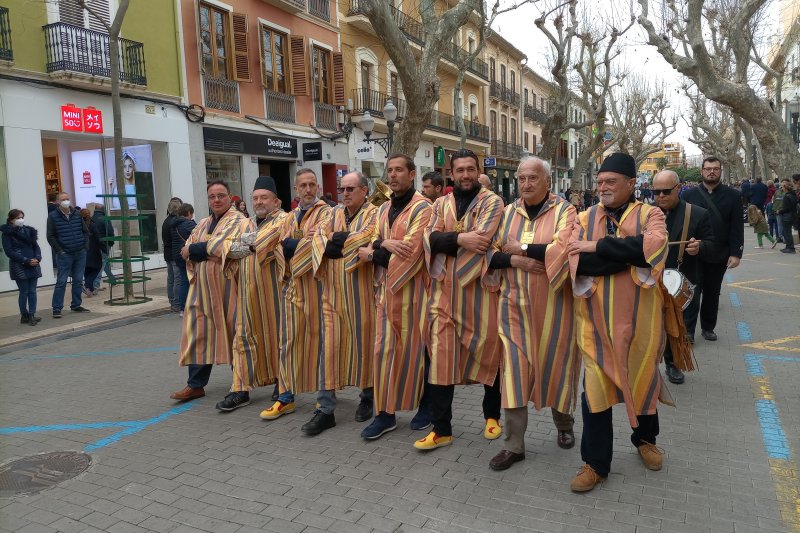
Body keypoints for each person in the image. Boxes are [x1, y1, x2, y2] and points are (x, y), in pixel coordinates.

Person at [567, 152, 671, 493]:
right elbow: (569, 256)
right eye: (599, 182)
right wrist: (624, 256)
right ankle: (595, 463)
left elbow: (653, 246)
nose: (603, 188)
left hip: (641, 322)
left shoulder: (650, 213)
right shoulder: (583, 216)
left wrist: (597, 246)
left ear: (631, 184)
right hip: (595, 325)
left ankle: (645, 440)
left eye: (611, 182)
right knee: (594, 391)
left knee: (643, 377)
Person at [484, 157, 579, 471]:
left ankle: (564, 424)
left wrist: (521, 248)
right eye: (521, 178)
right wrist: (518, 261)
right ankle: (514, 445)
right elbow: (489, 253)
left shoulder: (565, 211)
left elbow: (563, 249)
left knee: (557, 366)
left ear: (547, 181)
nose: (525, 184)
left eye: (532, 178)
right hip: (513, 309)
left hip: (556, 309)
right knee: (513, 374)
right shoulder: (507, 213)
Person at [416, 150, 504, 451]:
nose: (465, 175)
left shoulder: (493, 201)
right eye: (460, 170)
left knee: (490, 351)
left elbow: (483, 239)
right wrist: (460, 239)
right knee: (440, 359)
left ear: (477, 171)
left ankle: (492, 415)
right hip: (443, 294)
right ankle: (442, 429)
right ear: (450, 174)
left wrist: (450, 238)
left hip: (481, 293)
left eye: (470, 169)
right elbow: (427, 239)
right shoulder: (440, 203)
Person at [356, 154, 433, 440]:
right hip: (386, 295)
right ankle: (385, 414)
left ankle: (426, 407)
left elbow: (411, 252)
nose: (393, 175)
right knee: (383, 352)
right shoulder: (383, 208)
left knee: (418, 353)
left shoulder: (423, 208)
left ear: (412, 174)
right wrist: (382, 244)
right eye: (390, 170)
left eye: (399, 170)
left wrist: (374, 251)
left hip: (416, 295)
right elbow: (368, 241)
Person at [298, 171, 380, 435]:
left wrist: (337, 241)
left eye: (350, 189)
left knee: (364, 346)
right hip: (331, 295)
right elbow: (318, 239)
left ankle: (368, 396)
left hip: (362, 295)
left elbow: (369, 237)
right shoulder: (331, 213)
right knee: (329, 351)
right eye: (342, 189)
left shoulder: (375, 213)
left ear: (364, 190)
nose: (345, 194)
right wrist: (337, 243)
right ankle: (325, 409)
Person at [169, 181, 251, 402]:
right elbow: (186, 248)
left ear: (230, 197)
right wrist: (201, 249)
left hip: (228, 288)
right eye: (212, 196)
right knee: (198, 333)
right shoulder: (203, 223)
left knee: (234, 332)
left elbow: (231, 248)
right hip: (201, 288)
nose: (216, 200)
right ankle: (195, 385)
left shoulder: (240, 221)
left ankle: (240, 385)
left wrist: (199, 249)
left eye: (221, 196)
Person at [260, 169, 332, 420]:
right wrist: (291, 245)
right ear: (296, 189)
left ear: (319, 188)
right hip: (293, 287)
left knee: (324, 344)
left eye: (312, 184)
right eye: (303, 185)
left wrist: (292, 245)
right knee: (288, 342)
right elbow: (280, 245)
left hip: (319, 286)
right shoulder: (289, 218)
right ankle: (285, 397)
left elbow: (320, 243)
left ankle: (326, 399)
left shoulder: (328, 213)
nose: (308, 189)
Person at [215, 177, 290, 412]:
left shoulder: (285, 219)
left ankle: (282, 384)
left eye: (264, 197)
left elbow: (264, 243)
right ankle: (240, 389)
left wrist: (244, 246)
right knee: (243, 339)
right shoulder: (245, 223)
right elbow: (227, 247)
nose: (259, 202)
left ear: (276, 201)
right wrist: (247, 246)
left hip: (275, 293)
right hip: (247, 292)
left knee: (279, 338)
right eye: (255, 198)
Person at [652, 171, 714, 383]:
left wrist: (700, 247)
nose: (660, 196)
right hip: (649, 278)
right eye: (656, 192)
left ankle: (673, 364)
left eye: (666, 191)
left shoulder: (697, 214)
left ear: (678, 188)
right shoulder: (645, 213)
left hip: (682, 278)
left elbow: (711, 243)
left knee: (678, 327)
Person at [682, 157, 744, 341]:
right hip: (693, 252)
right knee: (692, 292)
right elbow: (682, 223)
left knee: (712, 292)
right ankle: (689, 331)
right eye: (708, 168)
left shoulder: (733, 195)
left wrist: (736, 253)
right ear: (701, 171)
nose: (712, 172)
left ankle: (708, 327)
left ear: (720, 171)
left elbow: (737, 226)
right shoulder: (688, 195)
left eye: (715, 169)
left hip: (719, 253)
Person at [47, 192, 90, 317]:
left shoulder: (76, 214)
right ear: (57, 202)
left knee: (78, 280)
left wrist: (85, 247)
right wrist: (60, 251)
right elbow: (50, 236)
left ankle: (76, 305)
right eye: (63, 199)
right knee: (61, 281)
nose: (66, 201)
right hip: (64, 254)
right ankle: (57, 308)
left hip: (80, 252)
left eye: (67, 198)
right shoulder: (53, 216)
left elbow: (85, 231)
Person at [2, 209, 43, 326]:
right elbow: (9, 251)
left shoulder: (29, 231)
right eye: (18, 218)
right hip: (19, 265)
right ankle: (24, 315)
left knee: (32, 291)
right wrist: (25, 260)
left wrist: (37, 258)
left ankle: (32, 314)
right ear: (11, 220)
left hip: (33, 264)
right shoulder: (7, 234)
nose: (21, 220)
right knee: (24, 291)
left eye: (22, 217)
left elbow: (36, 246)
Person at [170, 203, 196, 315]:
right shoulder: (188, 224)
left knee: (182, 280)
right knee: (188, 281)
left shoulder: (174, 224)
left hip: (176, 254)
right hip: (186, 254)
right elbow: (198, 235)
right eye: (192, 213)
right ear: (189, 213)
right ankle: (187, 306)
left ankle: (182, 307)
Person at [162, 197, 183, 311]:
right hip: (174, 254)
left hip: (167, 254)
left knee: (171, 279)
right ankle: (176, 303)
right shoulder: (175, 222)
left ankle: (172, 301)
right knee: (177, 279)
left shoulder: (166, 221)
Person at [91, 204, 115, 293]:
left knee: (105, 263)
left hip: (94, 244)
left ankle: (112, 280)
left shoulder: (91, 218)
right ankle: (95, 285)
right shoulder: (105, 218)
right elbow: (110, 231)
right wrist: (111, 242)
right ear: (103, 210)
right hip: (104, 243)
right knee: (102, 264)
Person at [81, 208, 103, 296]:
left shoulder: (79, 225)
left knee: (87, 270)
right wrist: (104, 248)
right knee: (97, 268)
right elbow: (98, 238)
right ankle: (87, 286)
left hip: (83, 251)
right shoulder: (92, 225)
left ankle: (90, 289)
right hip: (93, 251)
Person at [777, 178, 797, 254]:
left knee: (787, 232)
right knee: (787, 232)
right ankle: (789, 246)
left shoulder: (787, 196)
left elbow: (786, 208)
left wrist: (779, 211)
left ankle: (790, 247)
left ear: (785, 187)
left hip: (787, 216)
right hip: (793, 215)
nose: (781, 188)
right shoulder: (793, 194)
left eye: (782, 187)